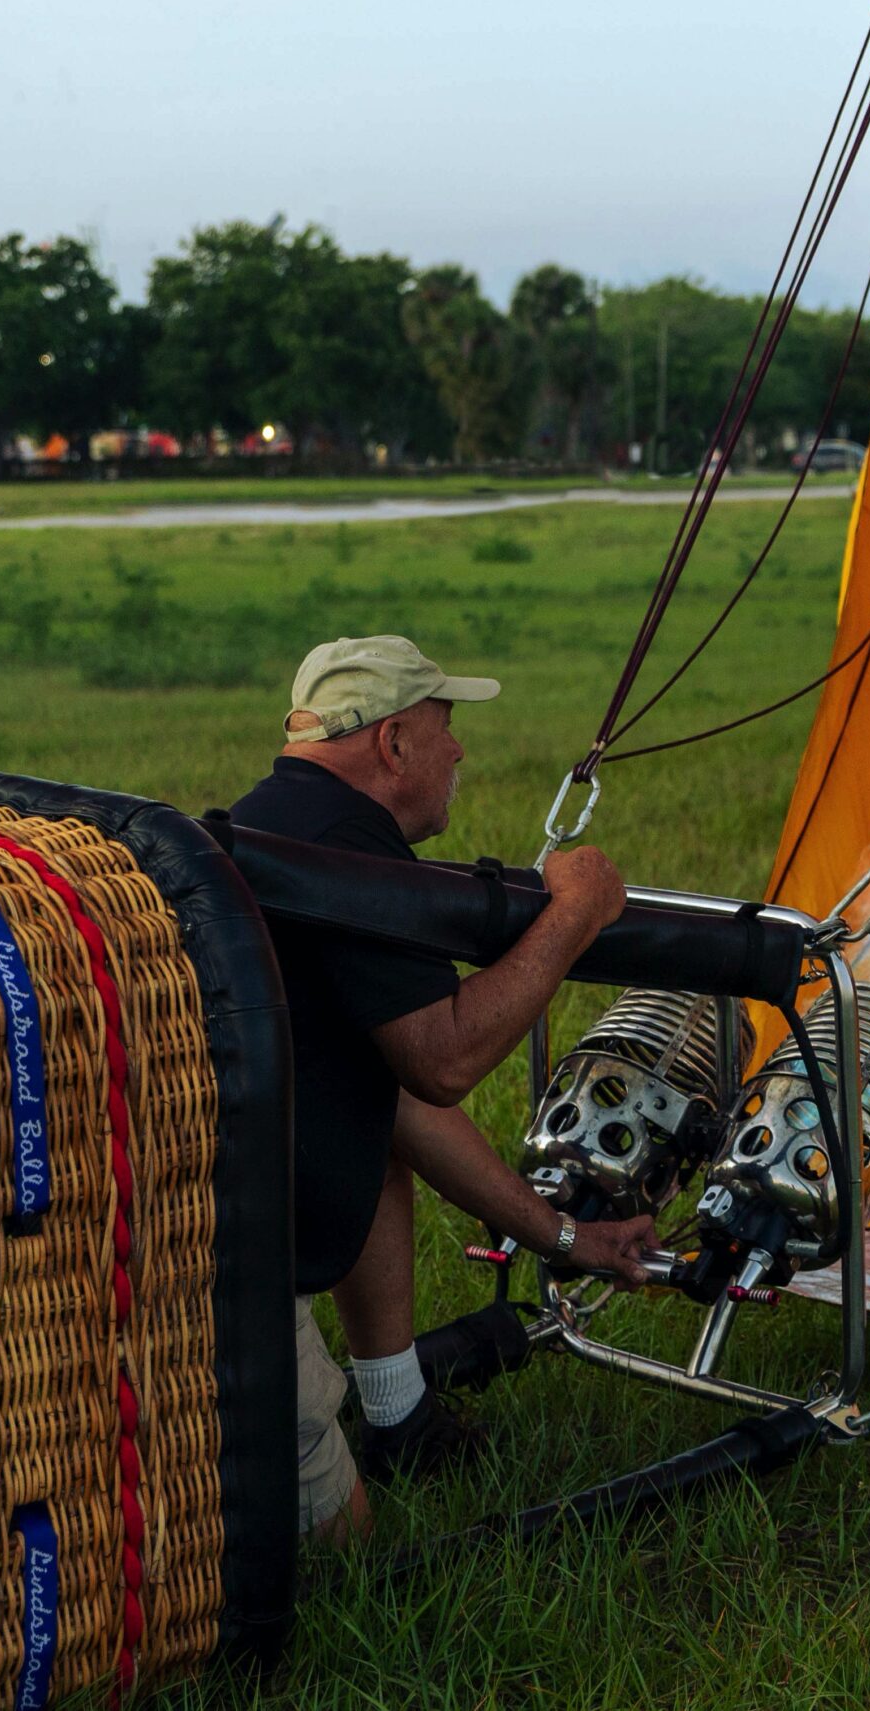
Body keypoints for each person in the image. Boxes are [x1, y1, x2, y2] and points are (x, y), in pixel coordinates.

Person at [230, 634, 657, 1542]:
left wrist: (567, 1237)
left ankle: (399, 1417)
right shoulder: (348, 863)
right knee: (348, 1557)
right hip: (229, 1289)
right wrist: (575, 912)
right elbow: (446, 1057)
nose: (459, 750)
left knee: (367, 1104)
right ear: (392, 744)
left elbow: (409, 1106)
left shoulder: (277, 821)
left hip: (227, 1235)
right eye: (446, 726)